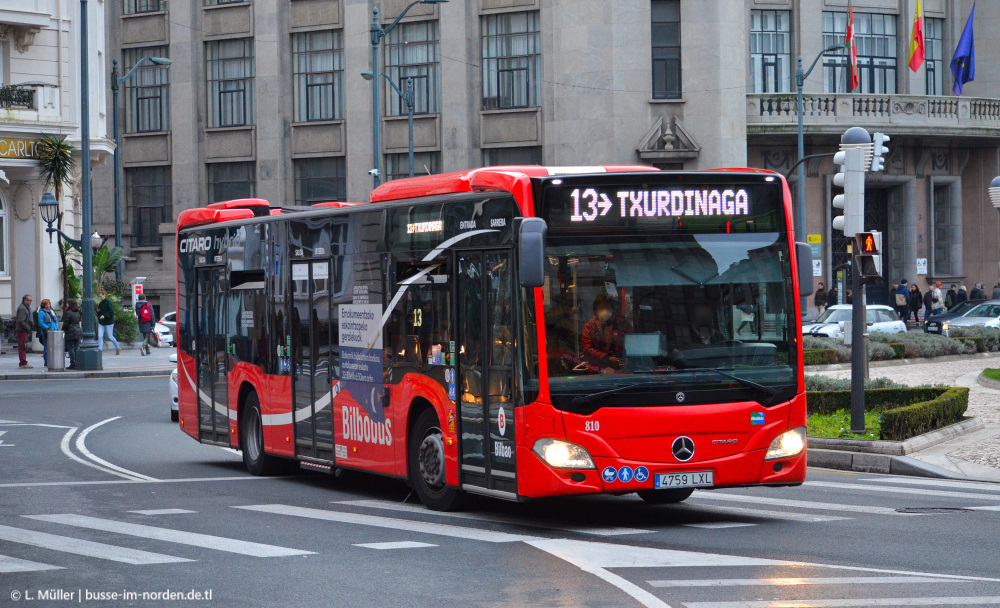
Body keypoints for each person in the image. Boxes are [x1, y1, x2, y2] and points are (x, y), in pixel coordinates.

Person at [581, 294, 632, 372]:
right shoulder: (590, 326)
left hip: (621, 368)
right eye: (601, 308)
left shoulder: (622, 323)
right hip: (597, 368)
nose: (605, 311)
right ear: (595, 311)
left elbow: (632, 342)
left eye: (607, 308)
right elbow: (586, 348)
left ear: (612, 309)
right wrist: (606, 358)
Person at [96, 289, 121, 355]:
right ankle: (100, 350)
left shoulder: (108, 302)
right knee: (100, 336)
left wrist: (104, 315)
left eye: (101, 296)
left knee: (110, 336)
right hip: (103, 322)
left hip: (108, 322)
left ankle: (118, 347)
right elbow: (102, 312)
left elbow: (111, 312)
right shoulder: (101, 303)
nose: (100, 298)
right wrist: (98, 312)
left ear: (104, 295)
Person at [36, 299, 59, 367]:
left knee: (54, 347)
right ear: (44, 305)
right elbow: (41, 323)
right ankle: (46, 361)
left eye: (49, 304)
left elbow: (56, 321)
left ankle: (52, 360)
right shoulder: (41, 312)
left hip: (54, 331)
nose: (48, 306)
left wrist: (56, 329)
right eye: (46, 304)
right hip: (47, 332)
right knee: (47, 346)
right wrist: (47, 328)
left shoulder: (51, 311)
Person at [14, 294, 33, 369]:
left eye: (31, 300)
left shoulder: (25, 307)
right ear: (25, 300)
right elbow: (21, 321)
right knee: (22, 347)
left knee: (22, 346)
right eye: (29, 300)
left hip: (23, 330)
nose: (30, 302)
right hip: (22, 330)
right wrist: (27, 328)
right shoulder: (23, 308)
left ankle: (23, 362)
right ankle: (23, 362)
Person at [63, 300, 82, 369]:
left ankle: (73, 363)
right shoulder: (77, 313)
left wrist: (63, 329)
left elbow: (66, 323)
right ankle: (77, 362)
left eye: (67, 303)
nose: (66, 305)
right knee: (76, 348)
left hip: (70, 331)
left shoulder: (68, 313)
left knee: (70, 348)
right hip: (77, 331)